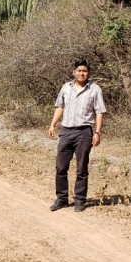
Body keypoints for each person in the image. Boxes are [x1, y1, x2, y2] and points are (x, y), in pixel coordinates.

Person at [47, 60, 106, 212]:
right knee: (61, 167)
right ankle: (62, 199)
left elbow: (99, 112)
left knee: (81, 168)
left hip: (84, 132)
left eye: (84, 71)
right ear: (73, 72)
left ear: (89, 73)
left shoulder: (95, 89)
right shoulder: (66, 87)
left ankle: (80, 200)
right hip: (66, 131)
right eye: (79, 71)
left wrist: (97, 132)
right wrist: (53, 124)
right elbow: (60, 107)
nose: (81, 73)